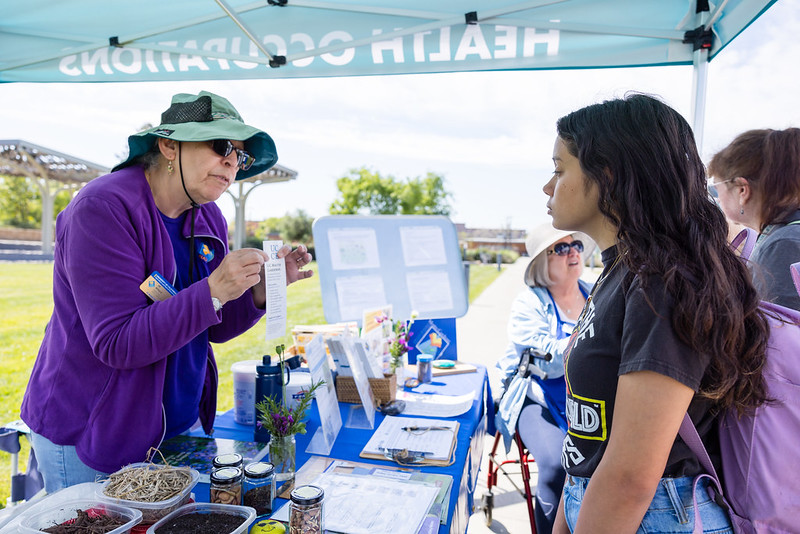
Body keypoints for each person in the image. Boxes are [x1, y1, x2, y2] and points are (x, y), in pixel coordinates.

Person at [20, 91, 314, 492]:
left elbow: (210, 325)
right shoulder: (102, 208)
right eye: (221, 146)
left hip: (177, 427)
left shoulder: (208, 213)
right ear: (169, 145)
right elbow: (117, 343)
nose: (232, 162)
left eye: (240, 157)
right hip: (93, 431)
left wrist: (257, 292)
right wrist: (212, 288)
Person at [542, 93, 770, 534]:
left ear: (607, 174)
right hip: (607, 505)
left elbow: (631, 477)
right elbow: (594, 441)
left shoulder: (661, 282)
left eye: (558, 169)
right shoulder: (621, 270)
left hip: (654, 515)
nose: (548, 187)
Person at [495, 222, 593, 534]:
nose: (573, 252)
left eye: (575, 245)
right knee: (555, 464)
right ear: (542, 262)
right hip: (536, 398)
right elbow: (545, 360)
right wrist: (594, 339)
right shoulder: (529, 303)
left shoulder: (595, 294)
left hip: (588, 399)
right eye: (561, 248)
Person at [707, 128, 800, 310]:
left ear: (742, 190)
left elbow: (779, 330)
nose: (717, 198)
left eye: (717, 187)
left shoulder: (783, 244)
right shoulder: (786, 234)